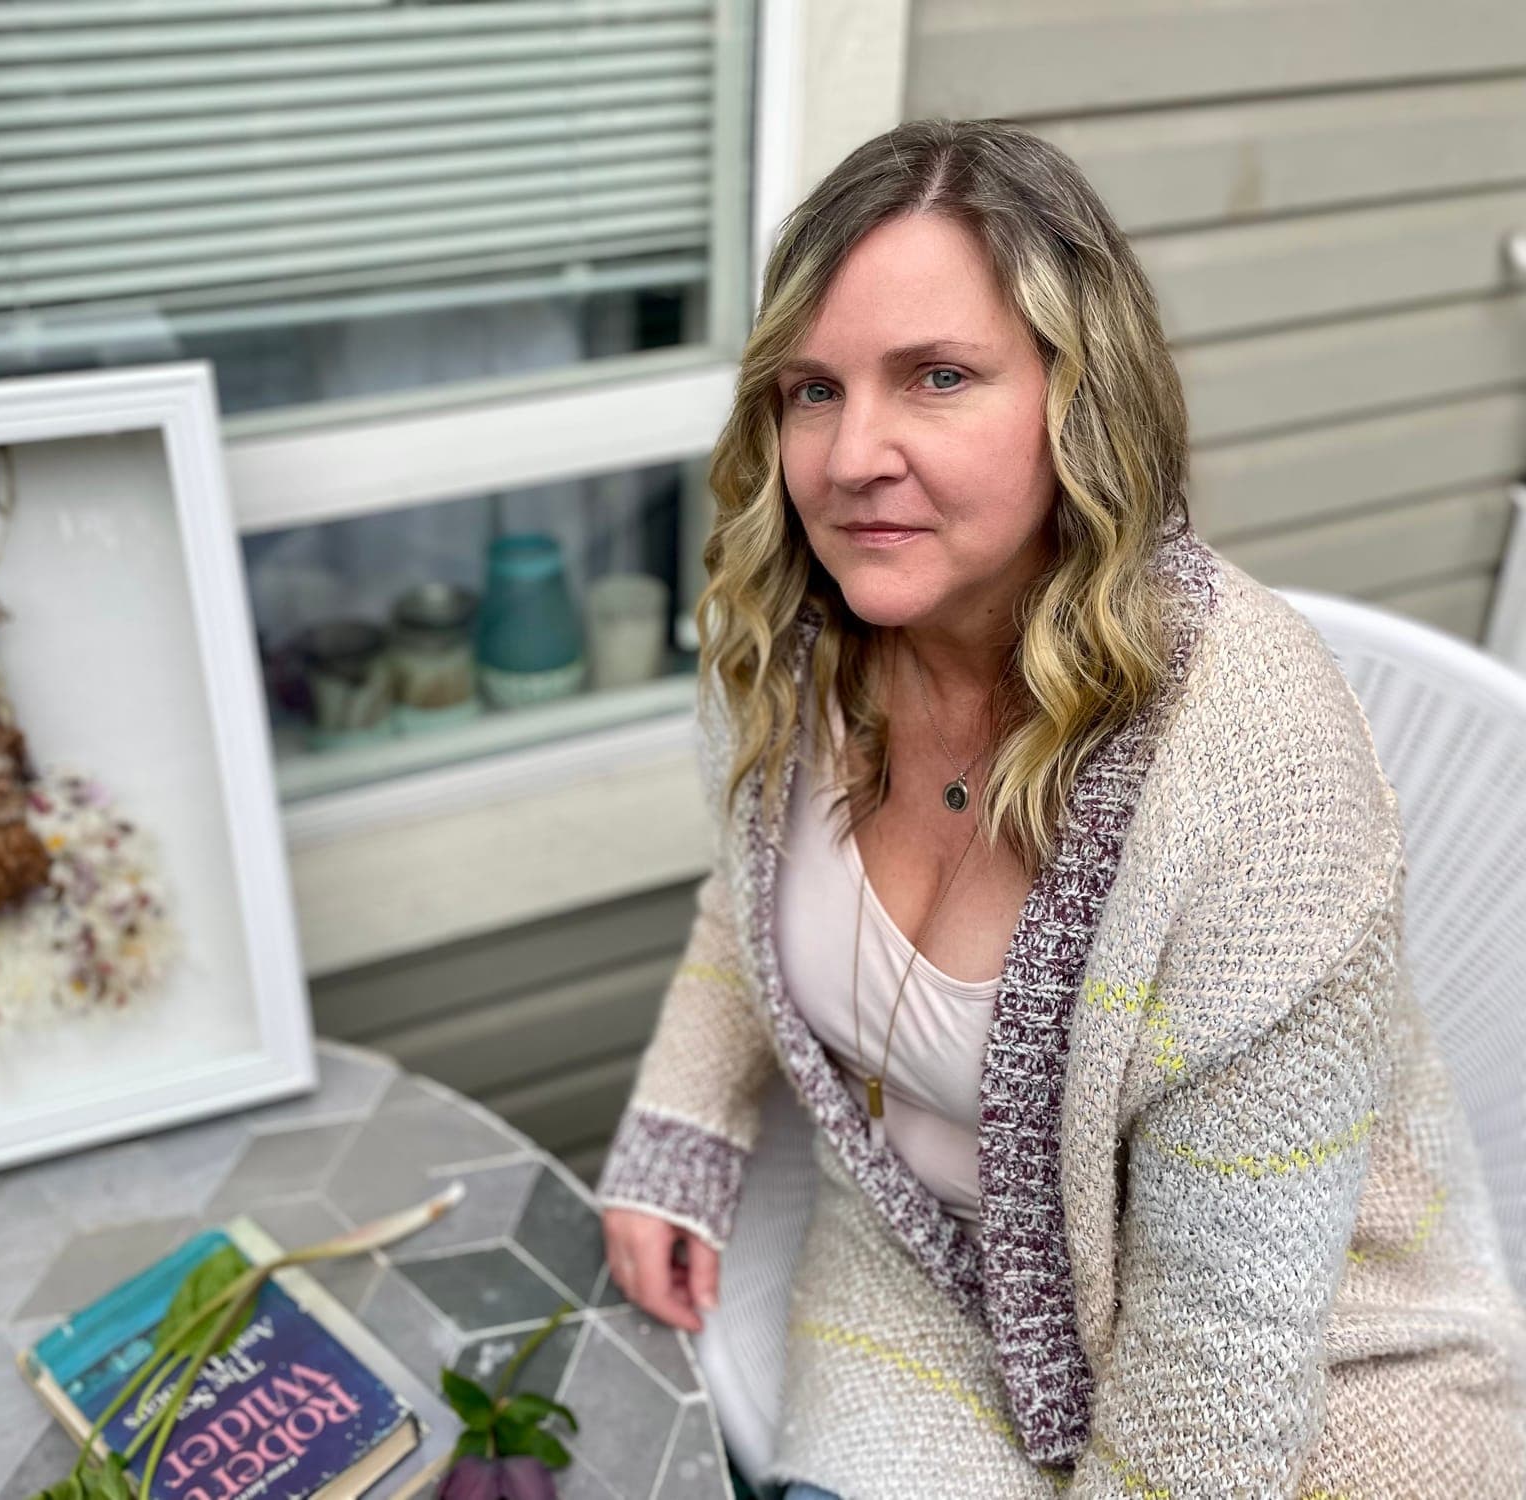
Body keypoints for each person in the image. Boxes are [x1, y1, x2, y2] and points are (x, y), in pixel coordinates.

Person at [595, 118, 1526, 1498]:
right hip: (920, 1279)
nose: (854, 457)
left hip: (1309, 1372)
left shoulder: (1256, 764)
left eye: (938, 377)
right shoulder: (791, 638)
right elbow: (748, 896)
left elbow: (1225, 1362)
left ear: (1081, 400)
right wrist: (680, 1125)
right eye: (812, 390)